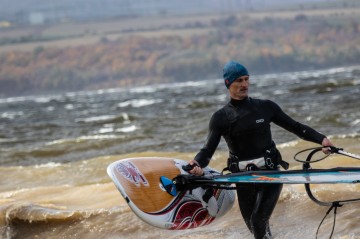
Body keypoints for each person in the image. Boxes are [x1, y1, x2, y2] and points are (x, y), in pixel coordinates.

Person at [187, 61, 333, 239]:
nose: (245, 84)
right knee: (257, 229)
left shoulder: (265, 107)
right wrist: (196, 163)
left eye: (247, 79)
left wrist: (322, 140)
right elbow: (207, 151)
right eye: (239, 80)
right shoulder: (220, 118)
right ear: (228, 83)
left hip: (270, 174)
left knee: (257, 221)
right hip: (242, 179)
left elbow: (296, 127)